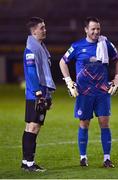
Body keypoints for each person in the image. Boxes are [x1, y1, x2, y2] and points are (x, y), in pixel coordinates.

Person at [59, 17, 118, 168]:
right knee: (84, 123)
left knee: (104, 123)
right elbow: (63, 62)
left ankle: (107, 158)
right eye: (93, 29)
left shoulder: (105, 44)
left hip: (102, 92)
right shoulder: (77, 46)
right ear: (86, 29)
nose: (96, 32)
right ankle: (83, 157)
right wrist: (69, 82)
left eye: (98, 29)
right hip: (84, 93)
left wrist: (117, 79)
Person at [21, 17, 56, 172]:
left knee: (30, 126)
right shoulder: (31, 49)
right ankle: (29, 163)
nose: (44, 30)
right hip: (36, 94)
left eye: (44, 27)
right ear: (34, 30)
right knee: (33, 127)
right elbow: (31, 72)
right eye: (42, 28)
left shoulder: (39, 47)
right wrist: (39, 93)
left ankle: (26, 162)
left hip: (38, 93)